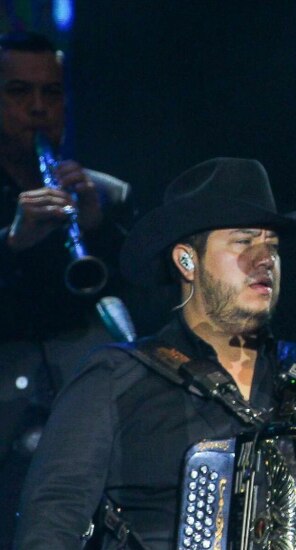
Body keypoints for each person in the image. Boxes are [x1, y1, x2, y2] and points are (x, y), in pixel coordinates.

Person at [15, 158, 296, 548]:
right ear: (187, 260)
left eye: (272, 246)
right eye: (243, 241)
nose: (264, 259)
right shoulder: (113, 379)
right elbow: (50, 527)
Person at [0, 31, 132, 546]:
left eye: (51, 93)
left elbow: (141, 313)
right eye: (17, 92)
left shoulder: (107, 194)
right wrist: (11, 243)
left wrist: (98, 229)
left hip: (83, 424)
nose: (37, 107)